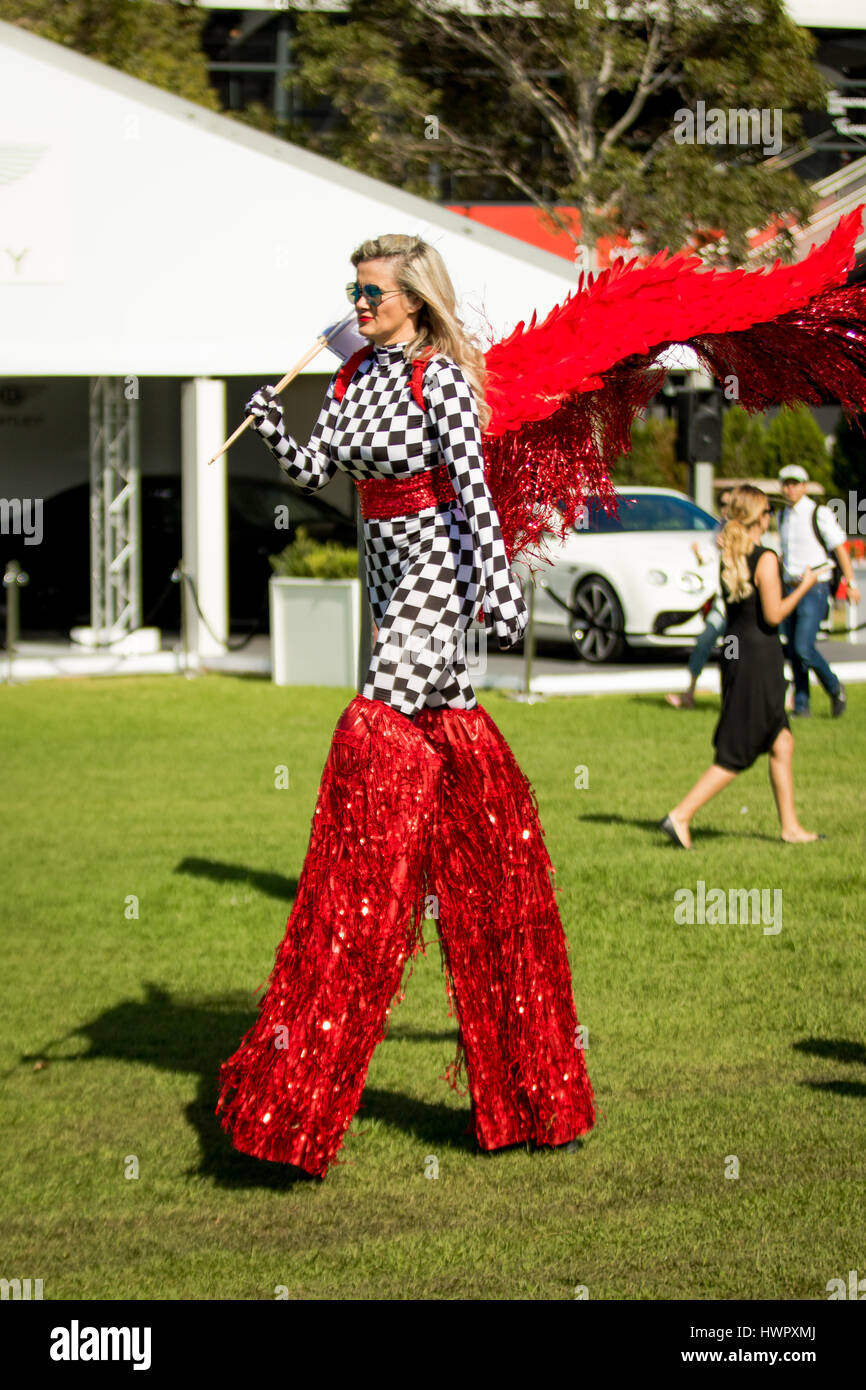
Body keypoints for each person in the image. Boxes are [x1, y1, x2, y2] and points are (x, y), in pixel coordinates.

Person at [215, 234, 595, 1178]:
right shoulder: (354, 383)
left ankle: (303, 1079)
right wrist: (274, 426)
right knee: (474, 812)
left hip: (434, 577)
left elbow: (470, 495)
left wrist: (499, 596)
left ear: (417, 300)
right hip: (383, 587)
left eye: (375, 291)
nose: (361, 303)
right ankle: (538, 1085)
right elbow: (317, 473)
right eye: (354, 291)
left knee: (372, 749)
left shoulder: (441, 385)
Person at [660, 485, 824, 848]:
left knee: (782, 741)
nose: (770, 518)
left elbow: (744, 609)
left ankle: (791, 827)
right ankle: (681, 815)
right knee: (739, 750)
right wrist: (806, 585)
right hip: (758, 656)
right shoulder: (765, 558)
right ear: (757, 518)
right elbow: (773, 614)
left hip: (734, 650)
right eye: (767, 511)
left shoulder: (731, 553)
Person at [777, 463, 861, 718]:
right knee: (793, 649)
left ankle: (835, 687)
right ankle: (802, 705)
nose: (790, 488)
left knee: (803, 647)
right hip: (790, 587)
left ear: (804, 486)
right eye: (787, 484)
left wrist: (851, 583)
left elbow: (840, 548)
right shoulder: (782, 515)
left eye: (795, 483)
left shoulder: (818, 513)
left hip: (814, 588)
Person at [666, 491, 731, 710]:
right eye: (722, 503)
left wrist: (730, 546)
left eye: (730, 504)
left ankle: (734, 697)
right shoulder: (720, 527)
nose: (725, 508)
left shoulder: (743, 530)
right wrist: (699, 553)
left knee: (733, 652)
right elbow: (709, 556)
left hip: (737, 607)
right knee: (704, 641)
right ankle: (690, 693)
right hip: (721, 604)